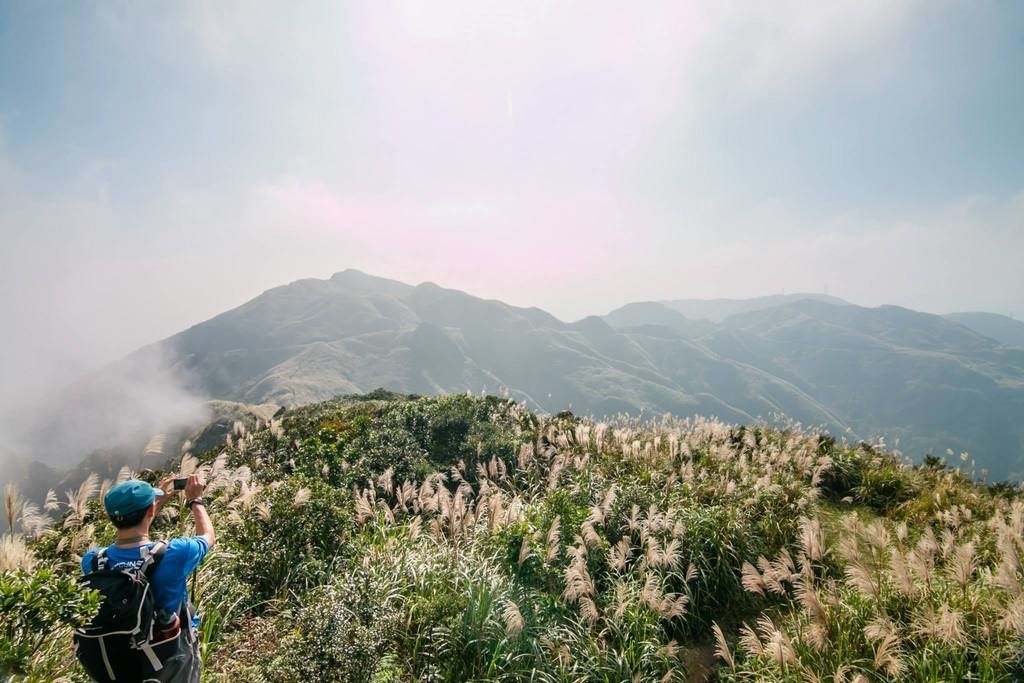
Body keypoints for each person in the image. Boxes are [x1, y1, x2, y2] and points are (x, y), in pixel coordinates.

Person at [79, 475, 215, 682]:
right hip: (170, 657)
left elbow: (127, 541)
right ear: (150, 511)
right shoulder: (176, 553)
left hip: (122, 661)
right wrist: (195, 500)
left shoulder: (93, 561)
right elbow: (207, 536)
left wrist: (153, 505)